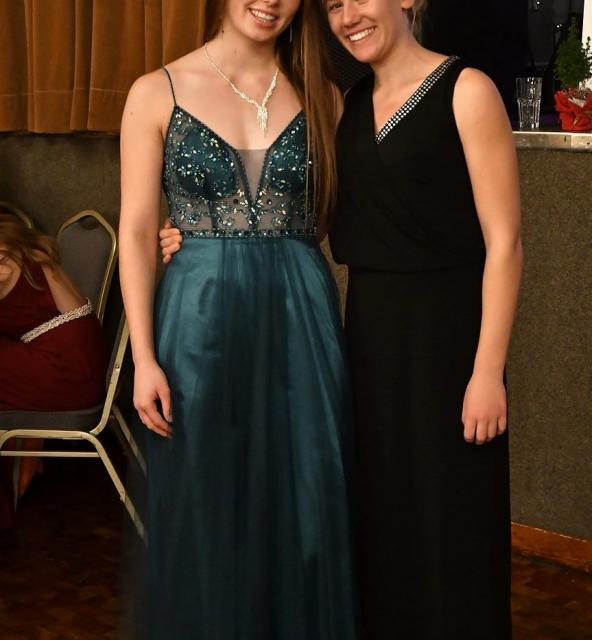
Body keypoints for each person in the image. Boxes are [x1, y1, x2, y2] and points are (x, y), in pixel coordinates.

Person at [160, 0, 522, 637]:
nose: (348, 15)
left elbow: (506, 244)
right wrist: (200, 236)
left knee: (452, 519)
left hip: (447, 341)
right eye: (334, 5)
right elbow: (311, 221)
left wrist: (488, 371)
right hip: (368, 338)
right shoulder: (347, 107)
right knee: (381, 520)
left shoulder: (467, 90)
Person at [118, 0, 357, 638]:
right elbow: (136, 231)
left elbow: (336, 223)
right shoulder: (156, 92)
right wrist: (144, 357)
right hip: (198, 322)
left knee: (307, 498)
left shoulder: (326, 97)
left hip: (301, 319)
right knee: (205, 501)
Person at [0, 211, 107, 529]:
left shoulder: (2, 260)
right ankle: (22, 457)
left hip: (66, 369)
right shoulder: (13, 244)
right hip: (79, 361)